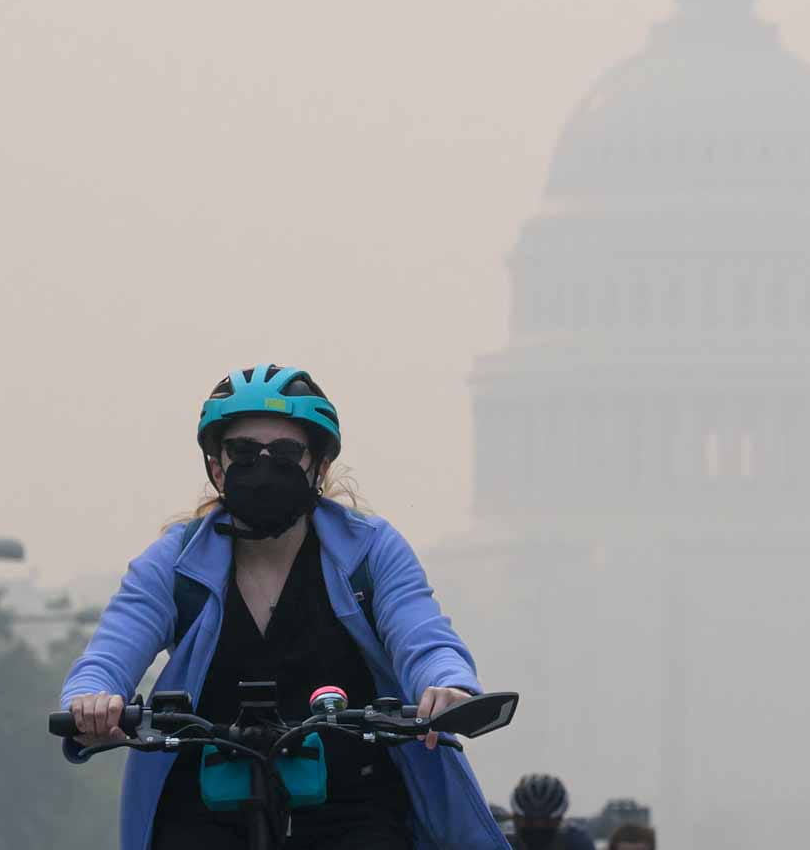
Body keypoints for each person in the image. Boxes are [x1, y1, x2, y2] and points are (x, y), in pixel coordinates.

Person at [59, 364, 508, 849]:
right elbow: (108, 655)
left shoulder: (371, 550)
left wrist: (447, 684)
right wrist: (92, 702)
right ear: (216, 467)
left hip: (353, 800)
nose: (264, 466)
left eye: (287, 453)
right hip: (206, 802)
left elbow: (423, 637)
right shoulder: (172, 562)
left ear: (319, 467)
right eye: (244, 452)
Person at [505, 774, 594, 850]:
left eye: (547, 822)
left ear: (560, 819)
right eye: (530, 821)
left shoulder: (577, 843)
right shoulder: (498, 842)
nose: (538, 827)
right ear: (515, 817)